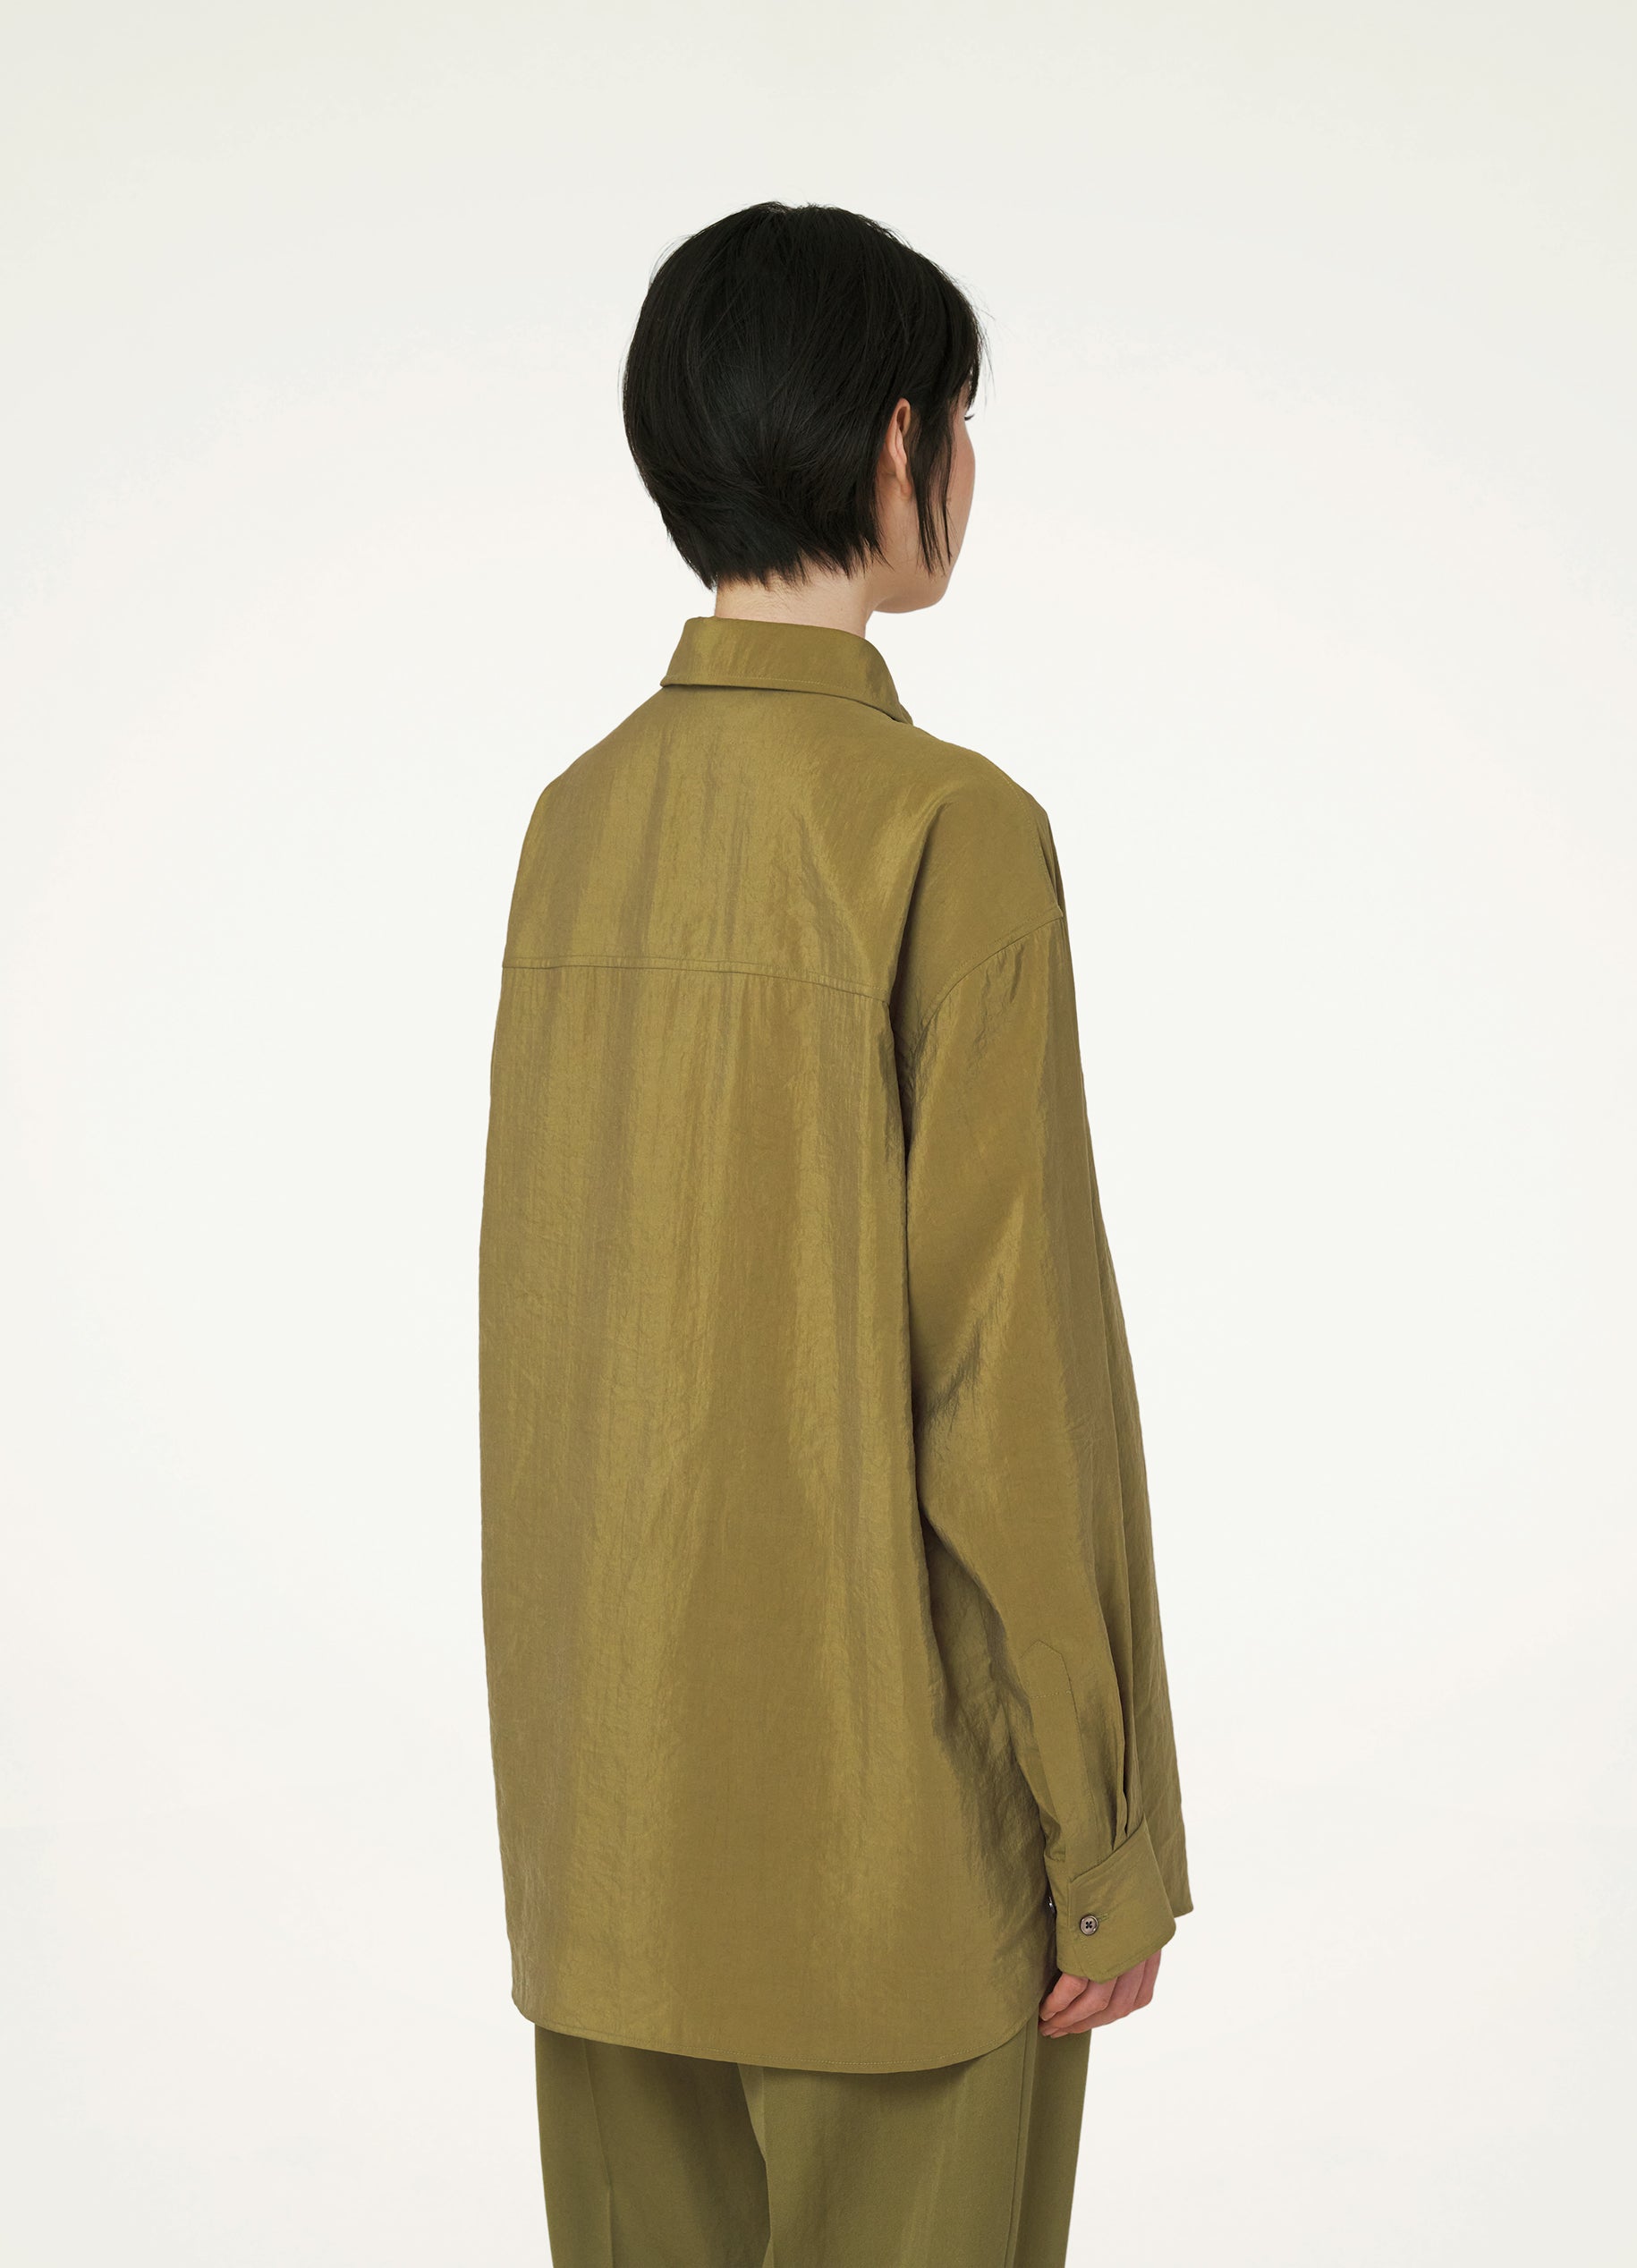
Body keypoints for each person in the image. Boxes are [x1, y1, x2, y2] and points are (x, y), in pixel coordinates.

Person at [478, 200, 1191, 2268]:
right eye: (956, 419)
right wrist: (1105, 1832)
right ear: (896, 445)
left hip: (610, 1862)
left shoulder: (574, 821)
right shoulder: (950, 830)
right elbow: (1007, 1372)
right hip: (902, 1870)